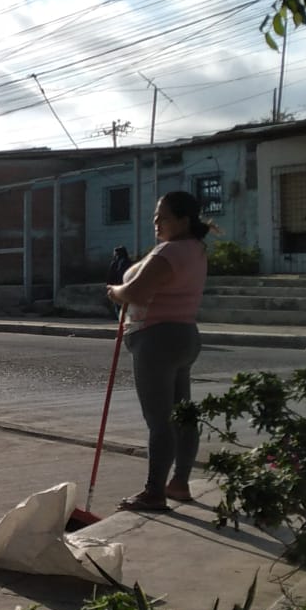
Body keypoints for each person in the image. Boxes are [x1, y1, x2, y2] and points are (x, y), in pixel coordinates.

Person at [106, 190, 210, 513]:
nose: (156, 222)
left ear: (183, 220)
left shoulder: (170, 252)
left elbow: (136, 292)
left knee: (160, 420)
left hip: (156, 338)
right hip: (184, 334)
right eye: (155, 216)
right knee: (182, 414)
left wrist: (114, 291)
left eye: (163, 217)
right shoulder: (194, 249)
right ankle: (179, 481)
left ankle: (154, 492)